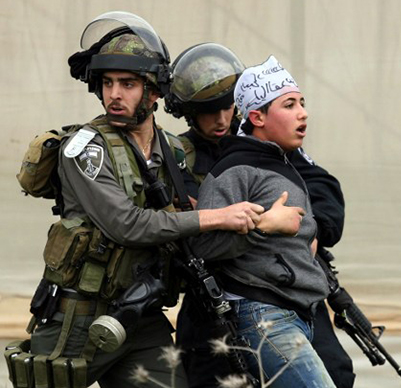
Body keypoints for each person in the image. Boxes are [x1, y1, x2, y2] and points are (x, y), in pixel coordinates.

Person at [22, 12, 298, 388]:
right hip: (76, 318)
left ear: (154, 92)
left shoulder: (171, 151)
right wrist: (217, 217)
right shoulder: (85, 150)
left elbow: (189, 220)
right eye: (107, 83)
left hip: (141, 317)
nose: (114, 95)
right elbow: (127, 225)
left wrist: (262, 219)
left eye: (128, 84)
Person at [165, 43, 355, 388]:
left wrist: (312, 231)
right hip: (221, 294)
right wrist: (211, 219)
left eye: (227, 108)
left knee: (337, 372)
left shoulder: (270, 148)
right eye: (209, 112)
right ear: (191, 113)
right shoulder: (178, 157)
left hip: (289, 288)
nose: (222, 120)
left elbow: (323, 187)